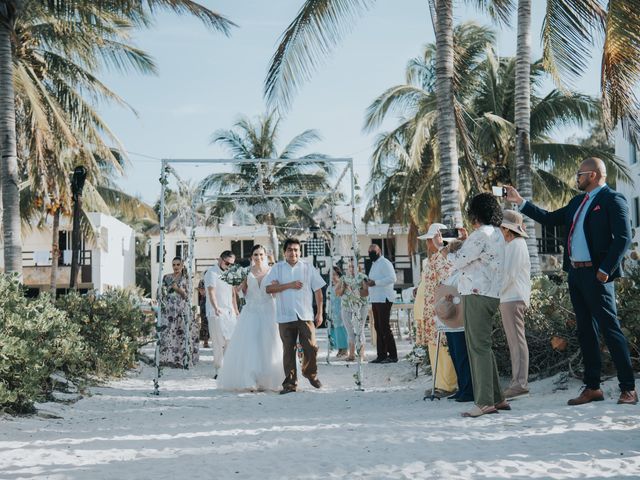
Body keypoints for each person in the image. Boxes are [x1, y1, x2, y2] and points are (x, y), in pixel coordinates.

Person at [505, 157, 636, 405]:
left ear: (593, 175)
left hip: (598, 275)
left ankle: (628, 388)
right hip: (575, 274)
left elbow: (623, 237)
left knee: (611, 329)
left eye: (580, 174)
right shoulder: (577, 202)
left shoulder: (613, 199)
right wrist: (520, 202)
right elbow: (550, 218)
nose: (576, 178)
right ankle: (593, 387)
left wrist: (606, 269)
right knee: (586, 331)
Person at [436, 193, 507, 417]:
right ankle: (498, 398)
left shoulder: (480, 235)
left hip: (476, 294)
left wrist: (442, 247)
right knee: (484, 346)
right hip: (492, 294)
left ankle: (485, 402)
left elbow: (457, 262)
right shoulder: (497, 233)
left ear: (475, 213)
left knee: (478, 347)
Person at [265, 238, 326, 394]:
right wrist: (289, 285)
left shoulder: (308, 267)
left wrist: (319, 312)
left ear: (300, 252)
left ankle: (310, 373)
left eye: (296, 250)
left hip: (305, 315)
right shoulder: (277, 268)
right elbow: (268, 289)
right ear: (285, 252)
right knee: (288, 350)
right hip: (285, 316)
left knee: (311, 347)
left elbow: (318, 290)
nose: (293, 252)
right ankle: (290, 384)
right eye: (290, 250)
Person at [218, 245, 283, 391]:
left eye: (261, 254)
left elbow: (274, 294)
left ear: (265, 255)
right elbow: (237, 289)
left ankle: (269, 379)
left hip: (268, 310)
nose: (258, 257)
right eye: (255, 254)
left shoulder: (272, 272)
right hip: (251, 311)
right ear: (251, 257)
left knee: (269, 344)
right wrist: (241, 294)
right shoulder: (247, 272)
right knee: (251, 344)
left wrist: (275, 289)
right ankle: (250, 379)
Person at [416, 223, 458, 398]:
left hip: (438, 310)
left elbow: (445, 281)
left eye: (429, 240)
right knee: (435, 347)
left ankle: (446, 385)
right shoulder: (436, 258)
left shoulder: (443, 258)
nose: (427, 244)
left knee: (442, 346)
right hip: (430, 309)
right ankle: (440, 383)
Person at [499, 210, 532, 399]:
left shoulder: (516, 245)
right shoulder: (513, 245)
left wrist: (494, 293)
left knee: (517, 341)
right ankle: (518, 382)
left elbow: (508, 275)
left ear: (506, 229)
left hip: (512, 297)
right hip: (510, 297)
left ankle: (519, 383)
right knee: (515, 341)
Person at [159, 256, 199, 368]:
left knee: (181, 334)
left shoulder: (187, 279)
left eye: (178, 264)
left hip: (181, 308)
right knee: (168, 332)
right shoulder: (166, 277)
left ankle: (181, 360)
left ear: (182, 265)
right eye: (174, 264)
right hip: (168, 309)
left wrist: (177, 289)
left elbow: (188, 296)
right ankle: (166, 359)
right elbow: (161, 292)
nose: (176, 267)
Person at [204, 250, 239, 378]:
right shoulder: (211, 273)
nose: (229, 266)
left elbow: (233, 293)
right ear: (220, 260)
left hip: (229, 312)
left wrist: (236, 310)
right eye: (227, 263)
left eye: (231, 264)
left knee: (230, 341)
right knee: (218, 342)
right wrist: (216, 307)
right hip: (215, 313)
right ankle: (219, 370)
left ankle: (228, 369)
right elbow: (211, 291)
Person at [366, 244, 398, 363]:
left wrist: (376, 282)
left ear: (379, 251)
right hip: (375, 299)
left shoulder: (385, 263)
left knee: (384, 327)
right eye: (369, 252)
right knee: (378, 327)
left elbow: (392, 278)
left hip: (384, 298)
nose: (371, 253)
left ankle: (393, 355)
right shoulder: (374, 264)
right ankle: (382, 355)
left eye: (373, 251)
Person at [336, 261, 369, 362]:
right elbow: (337, 293)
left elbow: (366, 292)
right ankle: (351, 355)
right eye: (350, 266)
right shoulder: (343, 278)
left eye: (354, 266)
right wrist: (344, 287)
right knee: (349, 331)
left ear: (358, 267)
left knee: (360, 330)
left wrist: (356, 291)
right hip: (346, 307)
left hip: (360, 307)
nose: (351, 268)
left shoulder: (362, 277)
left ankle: (361, 354)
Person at [328, 266, 349, 358]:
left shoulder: (342, 285)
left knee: (343, 330)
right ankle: (339, 348)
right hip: (333, 311)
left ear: (339, 275)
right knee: (335, 331)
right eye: (331, 275)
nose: (333, 277)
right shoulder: (329, 287)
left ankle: (345, 349)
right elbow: (328, 301)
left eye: (335, 274)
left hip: (342, 309)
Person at [197, 279, 209, 348]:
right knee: (204, 322)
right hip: (204, 302)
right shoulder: (202, 281)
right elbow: (200, 290)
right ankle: (205, 341)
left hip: (211, 301)